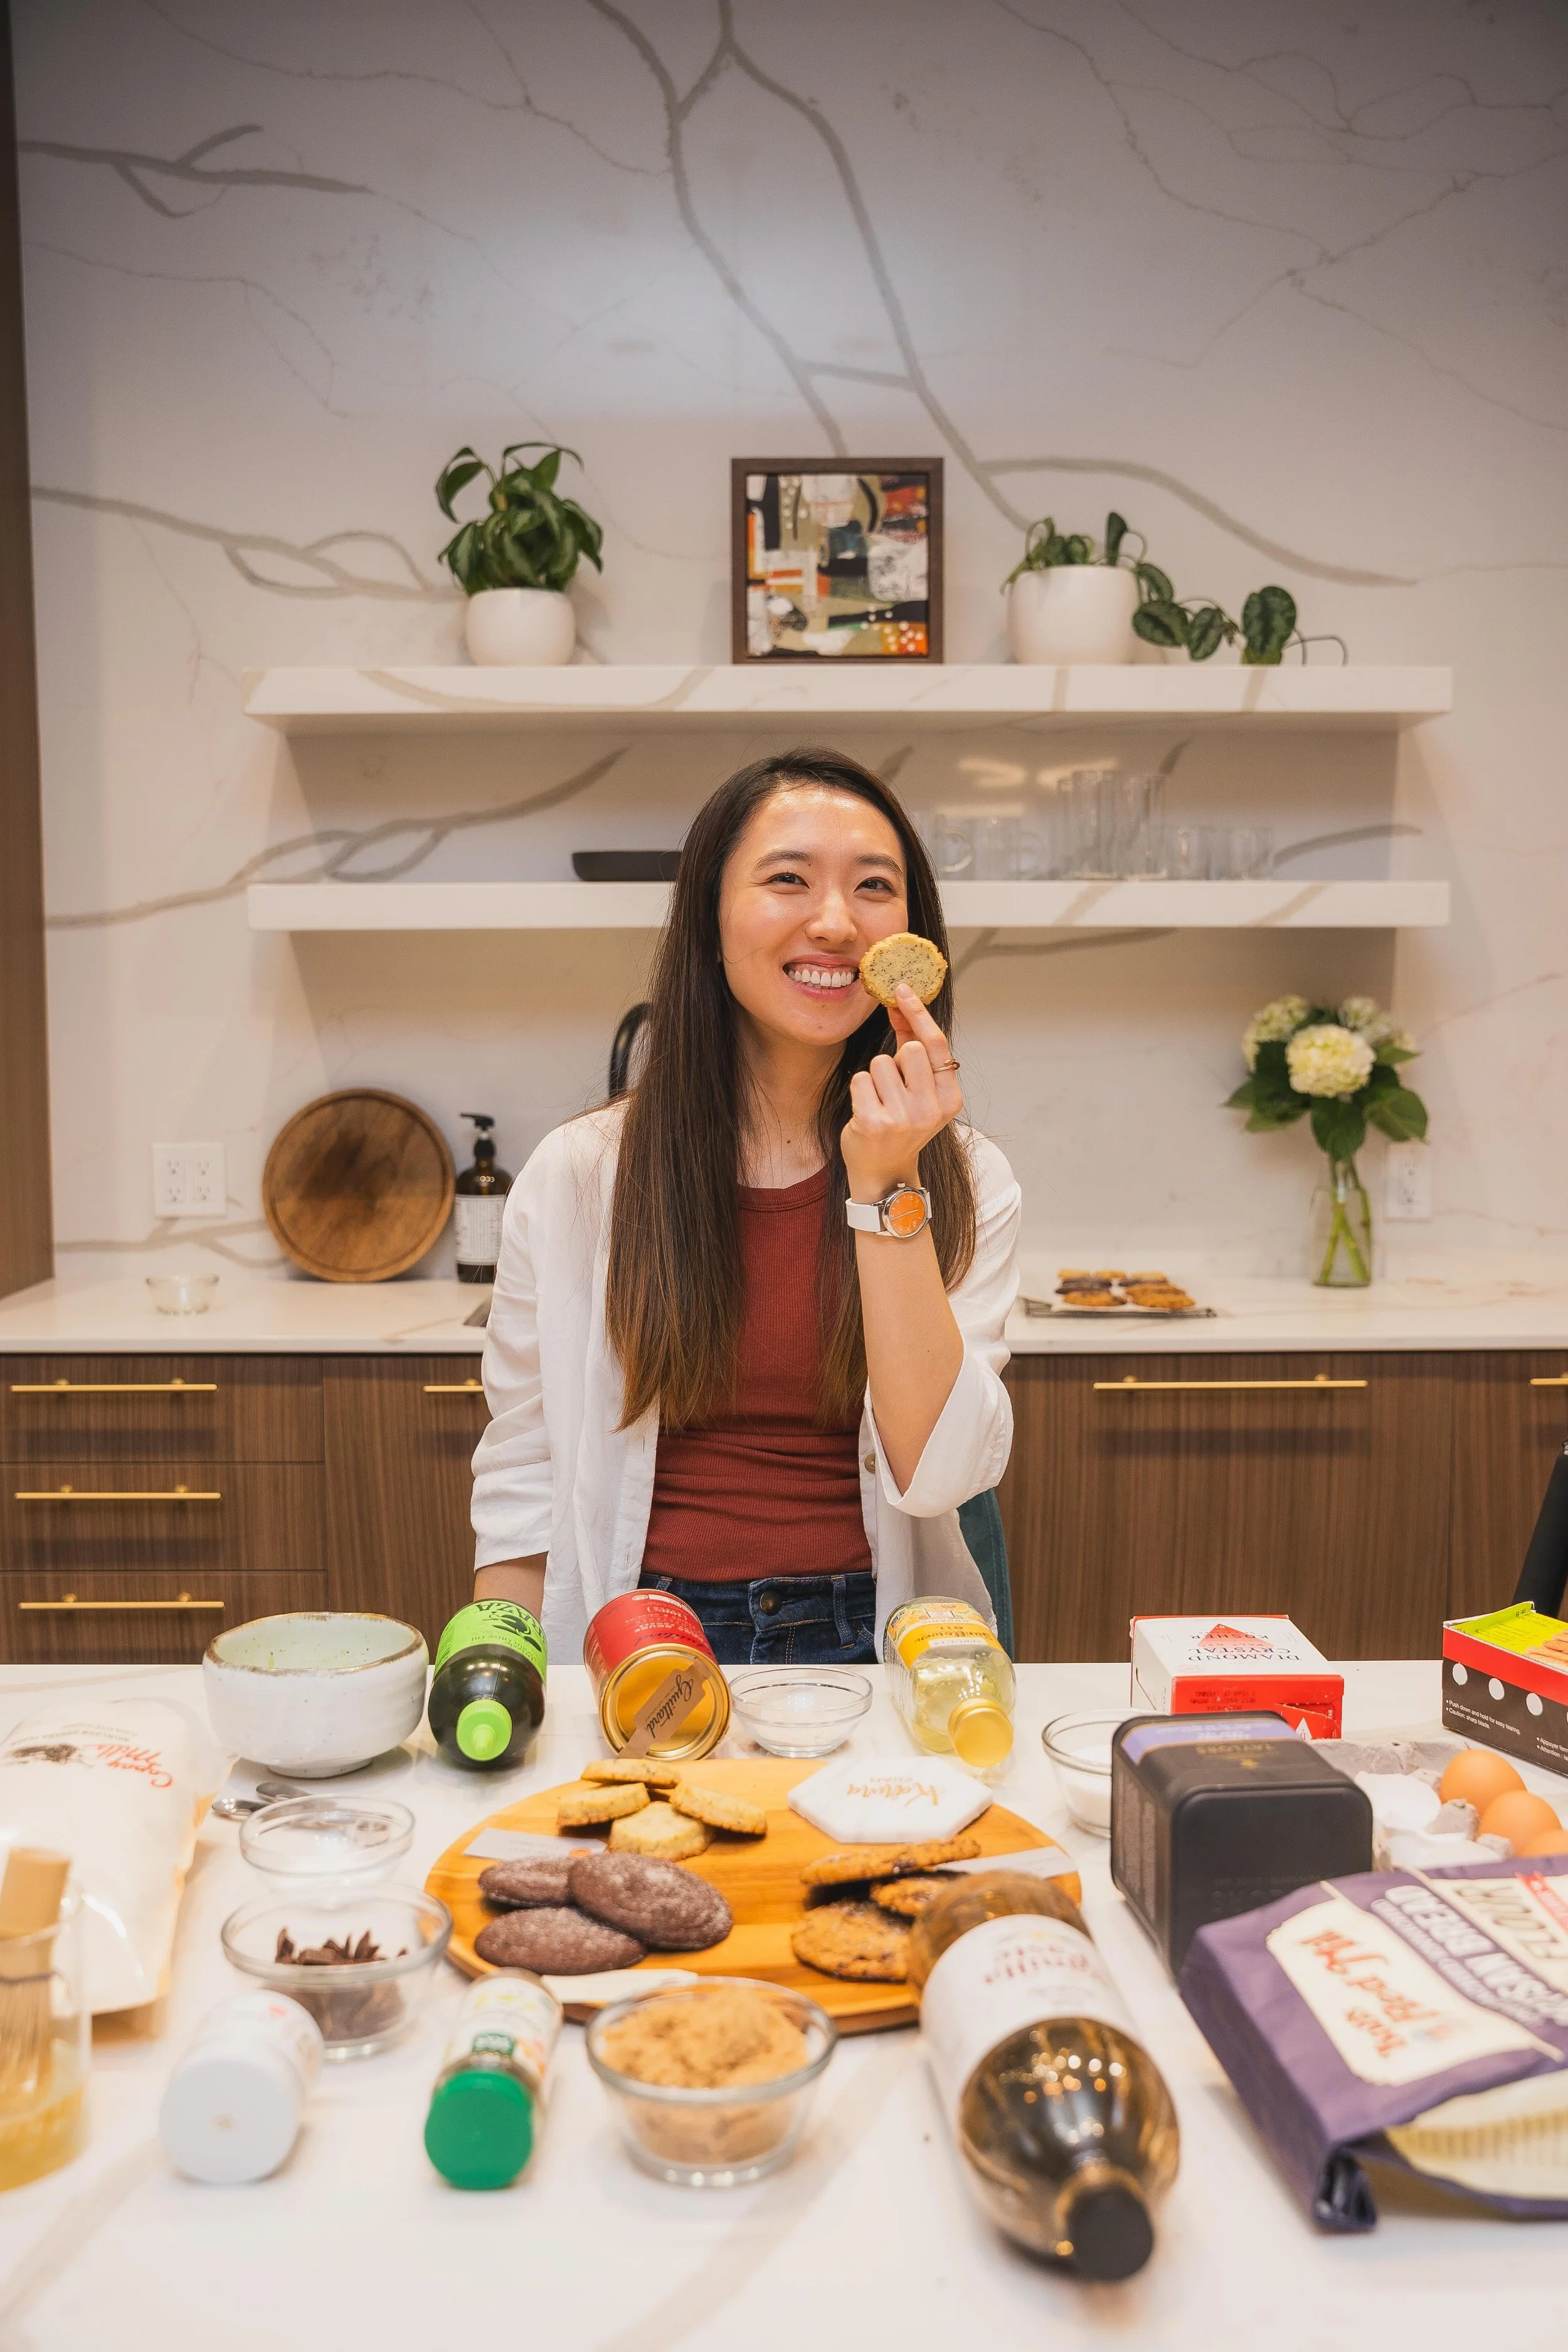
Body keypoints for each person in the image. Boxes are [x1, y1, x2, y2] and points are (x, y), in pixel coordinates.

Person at [470, 746, 1020, 1666]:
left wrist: (887, 1186)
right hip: (642, 1639)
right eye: (789, 879)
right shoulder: (579, 1175)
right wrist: (509, 1680)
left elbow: (938, 1476)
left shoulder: (966, 1179)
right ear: (710, 920)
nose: (837, 921)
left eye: (874, 886)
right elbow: (523, 1479)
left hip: (878, 1645)